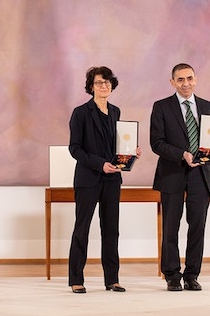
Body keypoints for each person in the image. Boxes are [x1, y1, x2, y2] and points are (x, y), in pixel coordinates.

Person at [150, 63, 210, 291]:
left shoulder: (208, 106)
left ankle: (192, 274)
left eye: (189, 78)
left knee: (197, 227)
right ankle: (172, 274)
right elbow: (156, 143)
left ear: (196, 79)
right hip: (172, 173)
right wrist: (181, 154)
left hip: (200, 175)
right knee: (170, 226)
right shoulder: (161, 107)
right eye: (180, 79)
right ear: (172, 82)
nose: (185, 83)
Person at [68, 66, 140, 294]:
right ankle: (76, 280)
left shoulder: (116, 112)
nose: (104, 85)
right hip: (88, 178)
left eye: (107, 81)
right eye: (99, 82)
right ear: (91, 86)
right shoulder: (80, 113)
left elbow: (117, 147)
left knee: (111, 229)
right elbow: (75, 149)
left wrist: (130, 153)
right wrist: (99, 164)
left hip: (112, 180)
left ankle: (112, 279)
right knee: (82, 228)